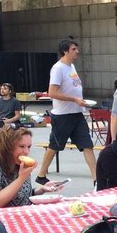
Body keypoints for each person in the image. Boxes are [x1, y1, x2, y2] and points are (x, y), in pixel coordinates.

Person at [34, 39, 97, 185]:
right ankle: (41, 175)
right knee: (54, 146)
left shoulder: (72, 66)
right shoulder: (58, 68)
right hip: (62, 116)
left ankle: (96, 179)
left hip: (77, 114)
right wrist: (74, 99)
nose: (77, 52)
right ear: (65, 51)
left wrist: (78, 101)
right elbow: (52, 92)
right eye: (74, 49)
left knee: (87, 145)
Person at [0, 127, 64, 211]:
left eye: (29, 147)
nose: (26, 152)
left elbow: (19, 195)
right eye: (21, 146)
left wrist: (41, 189)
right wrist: (21, 178)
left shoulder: (19, 164)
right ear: (7, 147)